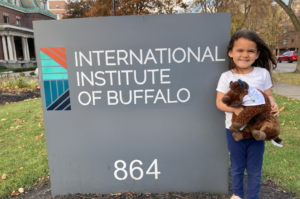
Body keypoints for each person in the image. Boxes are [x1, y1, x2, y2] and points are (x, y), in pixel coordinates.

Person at [216, 30, 280, 199]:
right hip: (234, 130)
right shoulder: (226, 77)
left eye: (250, 51)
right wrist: (239, 111)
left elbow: (269, 97)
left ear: (257, 54)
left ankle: (252, 196)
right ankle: (237, 194)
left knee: (254, 168)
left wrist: (274, 106)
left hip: (258, 130)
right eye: (240, 50)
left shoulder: (262, 74)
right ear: (231, 53)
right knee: (237, 166)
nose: (245, 55)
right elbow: (219, 102)